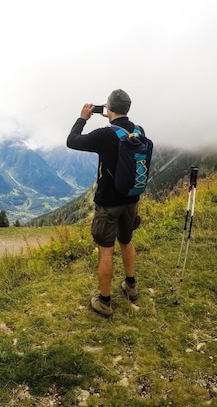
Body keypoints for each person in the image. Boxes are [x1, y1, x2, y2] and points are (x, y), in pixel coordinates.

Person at [66, 89, 144, 317]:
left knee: (106, 250)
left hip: (109, 203)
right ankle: (131, 286)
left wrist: (83, 117)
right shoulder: (138, 131)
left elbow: (72, 141)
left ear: (108, 108)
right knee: (126, 241)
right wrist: (112, 115)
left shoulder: (105, 135)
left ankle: (105, 302)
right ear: (127, 109)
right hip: (132, 200)